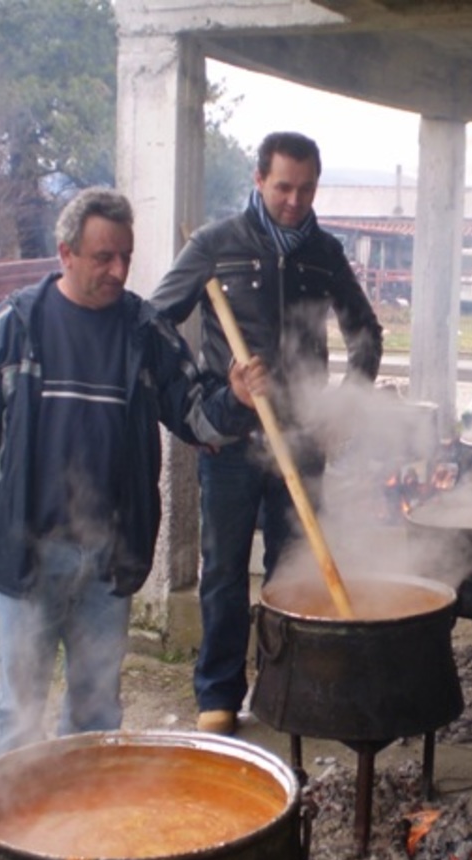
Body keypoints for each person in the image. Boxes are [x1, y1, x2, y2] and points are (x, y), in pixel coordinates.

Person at [0, 187, 266, 756]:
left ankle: (83, 824)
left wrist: (232, 399)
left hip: (111, 555)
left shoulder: (143, 330)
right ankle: (18, 831)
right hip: (29, 545)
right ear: (65, 254)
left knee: (96, 709)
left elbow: (192, 415)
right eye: (103, 257)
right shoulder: (17, 324)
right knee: (19, 709)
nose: (118, 270)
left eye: (126, 257)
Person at [150, 131, 383, 735]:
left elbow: (367, 334)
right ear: (259, 180)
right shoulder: (215, 245)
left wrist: (342, 408)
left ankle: (284, 685)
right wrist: (203, 398)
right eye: (283, 186)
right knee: (225, 571)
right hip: (230, 441)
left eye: (306, 188)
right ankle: (219, 693)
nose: (295, 200)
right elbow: (155, 325)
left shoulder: (324, 253)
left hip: (302, 441)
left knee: (292, 569)